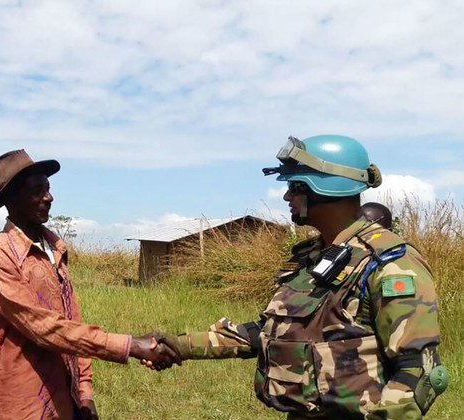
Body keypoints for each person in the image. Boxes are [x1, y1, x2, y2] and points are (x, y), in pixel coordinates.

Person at [154, 135, 448, 419]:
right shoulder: (311, 256)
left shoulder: (391, 262)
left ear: (324, 187)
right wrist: (176, 345)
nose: (286, 196)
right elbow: (270, 331)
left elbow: (418, 371)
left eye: (295, 186)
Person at [0, 150, 180, 420]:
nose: (48, 197)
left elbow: (72, 321)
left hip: (62, 393)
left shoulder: (55, 247)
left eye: (47, 188)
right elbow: (45, 328)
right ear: (11, 200)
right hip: (19, 400)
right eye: (37, 191)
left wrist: (84, 392)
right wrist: (130, 345)